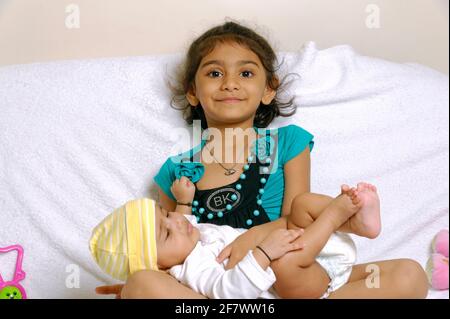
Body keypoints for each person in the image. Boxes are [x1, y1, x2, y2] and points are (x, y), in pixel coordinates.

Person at [96, 21, 428, 298]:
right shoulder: (178, 172)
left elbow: (298, 221)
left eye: (246, 73)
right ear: (193, 91)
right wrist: (137, 285)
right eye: (214, 73)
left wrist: (253, 239)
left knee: (409, 275)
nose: (229, 83)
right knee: (142, 284)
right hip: (220, 292)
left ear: (268, 89)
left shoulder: (288, 144)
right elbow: (162, 247)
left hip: (290, 275)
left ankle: (353, 222)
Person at [90, 180, 427, 299]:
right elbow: (227, 292)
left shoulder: (193, 234)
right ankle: (338, 215)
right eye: (165, 231)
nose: (177, 222)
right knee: (285, 262)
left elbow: (183, 220)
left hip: (316, 264)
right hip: (295, 282)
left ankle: (359, 223)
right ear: (161, 266)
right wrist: (264, 250)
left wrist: (181, 201)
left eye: (166, 215)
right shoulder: (192, 271)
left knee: (303, 203)